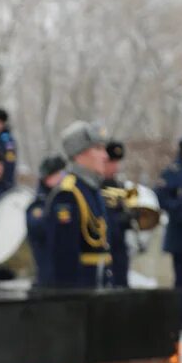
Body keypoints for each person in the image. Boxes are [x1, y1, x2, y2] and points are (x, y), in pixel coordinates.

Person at [44, 121, 112, 288]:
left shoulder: (92, 189)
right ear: (79, 154)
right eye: (98, 149)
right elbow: (64, 258)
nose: (105, 156)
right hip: (81, 294)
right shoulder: (68, 194)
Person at [156, 135, 182, 330]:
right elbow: (161, 197)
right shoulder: (173, 172)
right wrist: (179, 207)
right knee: (181, 279)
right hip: (180, 233)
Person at [26, 155, 66, 286]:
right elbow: (40, 228)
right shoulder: (38, 206)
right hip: (48, 278)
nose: (63, 178)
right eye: (58, 174)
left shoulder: (66, 199)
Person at [101, 141, 132, 287]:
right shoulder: (95, 186)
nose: (115, 167)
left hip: (119, 248)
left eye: (116, 162)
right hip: (103, 248)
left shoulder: (121, 186)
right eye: (110, 162)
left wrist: (131, 217)